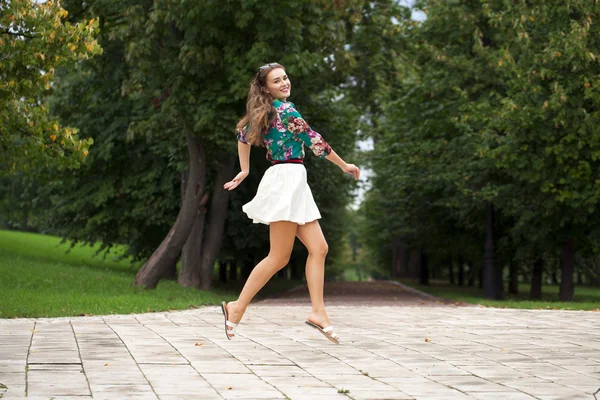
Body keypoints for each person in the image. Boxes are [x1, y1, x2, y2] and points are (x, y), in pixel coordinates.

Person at [221, 62, 360, 344]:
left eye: (285, 78)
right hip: (286, 180)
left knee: (319, 248)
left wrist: (246, 169)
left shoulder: (269, 112)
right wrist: (344, 165)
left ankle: (318, 312)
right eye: (277, 81)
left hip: (293, 180)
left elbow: (242, 134)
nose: (284, 83)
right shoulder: (285, 111)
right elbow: (315, 141)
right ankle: (236, 307)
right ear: (266, 88)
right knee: (279, 256)